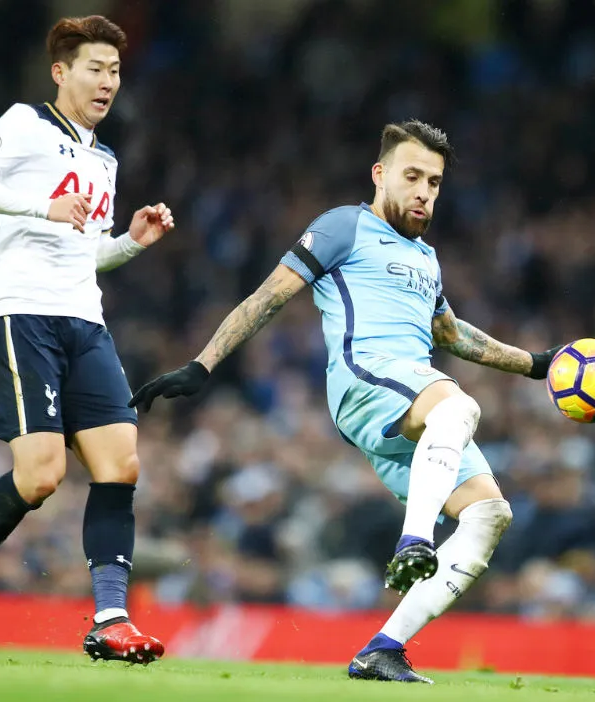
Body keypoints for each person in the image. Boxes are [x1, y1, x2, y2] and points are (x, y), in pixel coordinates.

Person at [128, 120, 561, 682]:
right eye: (412, 176)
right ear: (380, 174)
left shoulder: (427, 258)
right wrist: (202, 364)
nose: (424, 191)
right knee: (459, 407)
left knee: (487, 514)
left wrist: (534, 364)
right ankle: (415, 540)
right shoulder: (344, 226)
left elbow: (453, 336)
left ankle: (382, 649)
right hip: (366, 379)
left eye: (434, 181)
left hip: (413, 405)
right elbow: (269, 297)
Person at [0, 15, 172, 665]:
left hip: (83, 321)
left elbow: (85, 253)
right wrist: (39, 206)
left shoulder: (105, 159)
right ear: (61, 71)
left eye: (116, 71)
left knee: (120, 463)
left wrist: (130, 242)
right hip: (20, 316)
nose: (108, 82)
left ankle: (110, 618)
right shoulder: (24, 123)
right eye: (96, 68)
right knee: (41, 476)